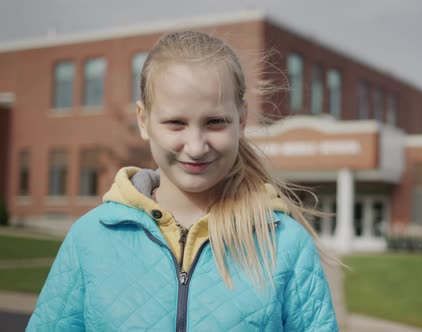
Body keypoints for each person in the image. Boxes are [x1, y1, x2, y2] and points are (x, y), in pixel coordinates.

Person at [27, 30, 338, 331]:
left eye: (215, 122)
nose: (196, 146)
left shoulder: (286, 244)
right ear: (143, 120)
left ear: (241, 120)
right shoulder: (89, 238)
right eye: (176, 123)